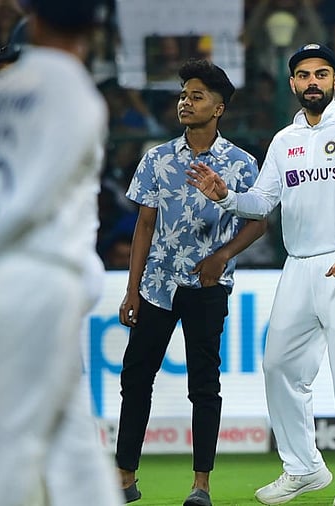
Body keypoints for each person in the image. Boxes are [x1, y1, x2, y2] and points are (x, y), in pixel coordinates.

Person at [0, 0, 125, 505]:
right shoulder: (78, 97)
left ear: (34, 23)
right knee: (13, 439)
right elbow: (34, 198)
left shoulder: (2, 95)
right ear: (96, 32)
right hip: (36, 273)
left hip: (0, 273)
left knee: (70, 433)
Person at [186, 43, 335, 506]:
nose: (311, 82)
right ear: (292, 83)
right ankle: (303, 467)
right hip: (298, 266)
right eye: (302, 75)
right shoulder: (284, 140)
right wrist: (226, 197)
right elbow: (263, 202)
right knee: (278, 365)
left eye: (321, 74)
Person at [115, 58, 266, 506]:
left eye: (196, 96)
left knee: (204, 383)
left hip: (207, 287)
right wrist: (131, 289)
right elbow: (144, 226)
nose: (185, 102)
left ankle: (201, 485)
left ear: (218, 108)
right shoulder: (157, 158)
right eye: (184, 95)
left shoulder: (240, 163)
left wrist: (222, 257)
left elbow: (259, 221)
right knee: (136, 378)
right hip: (157, 285)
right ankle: (125, 478)